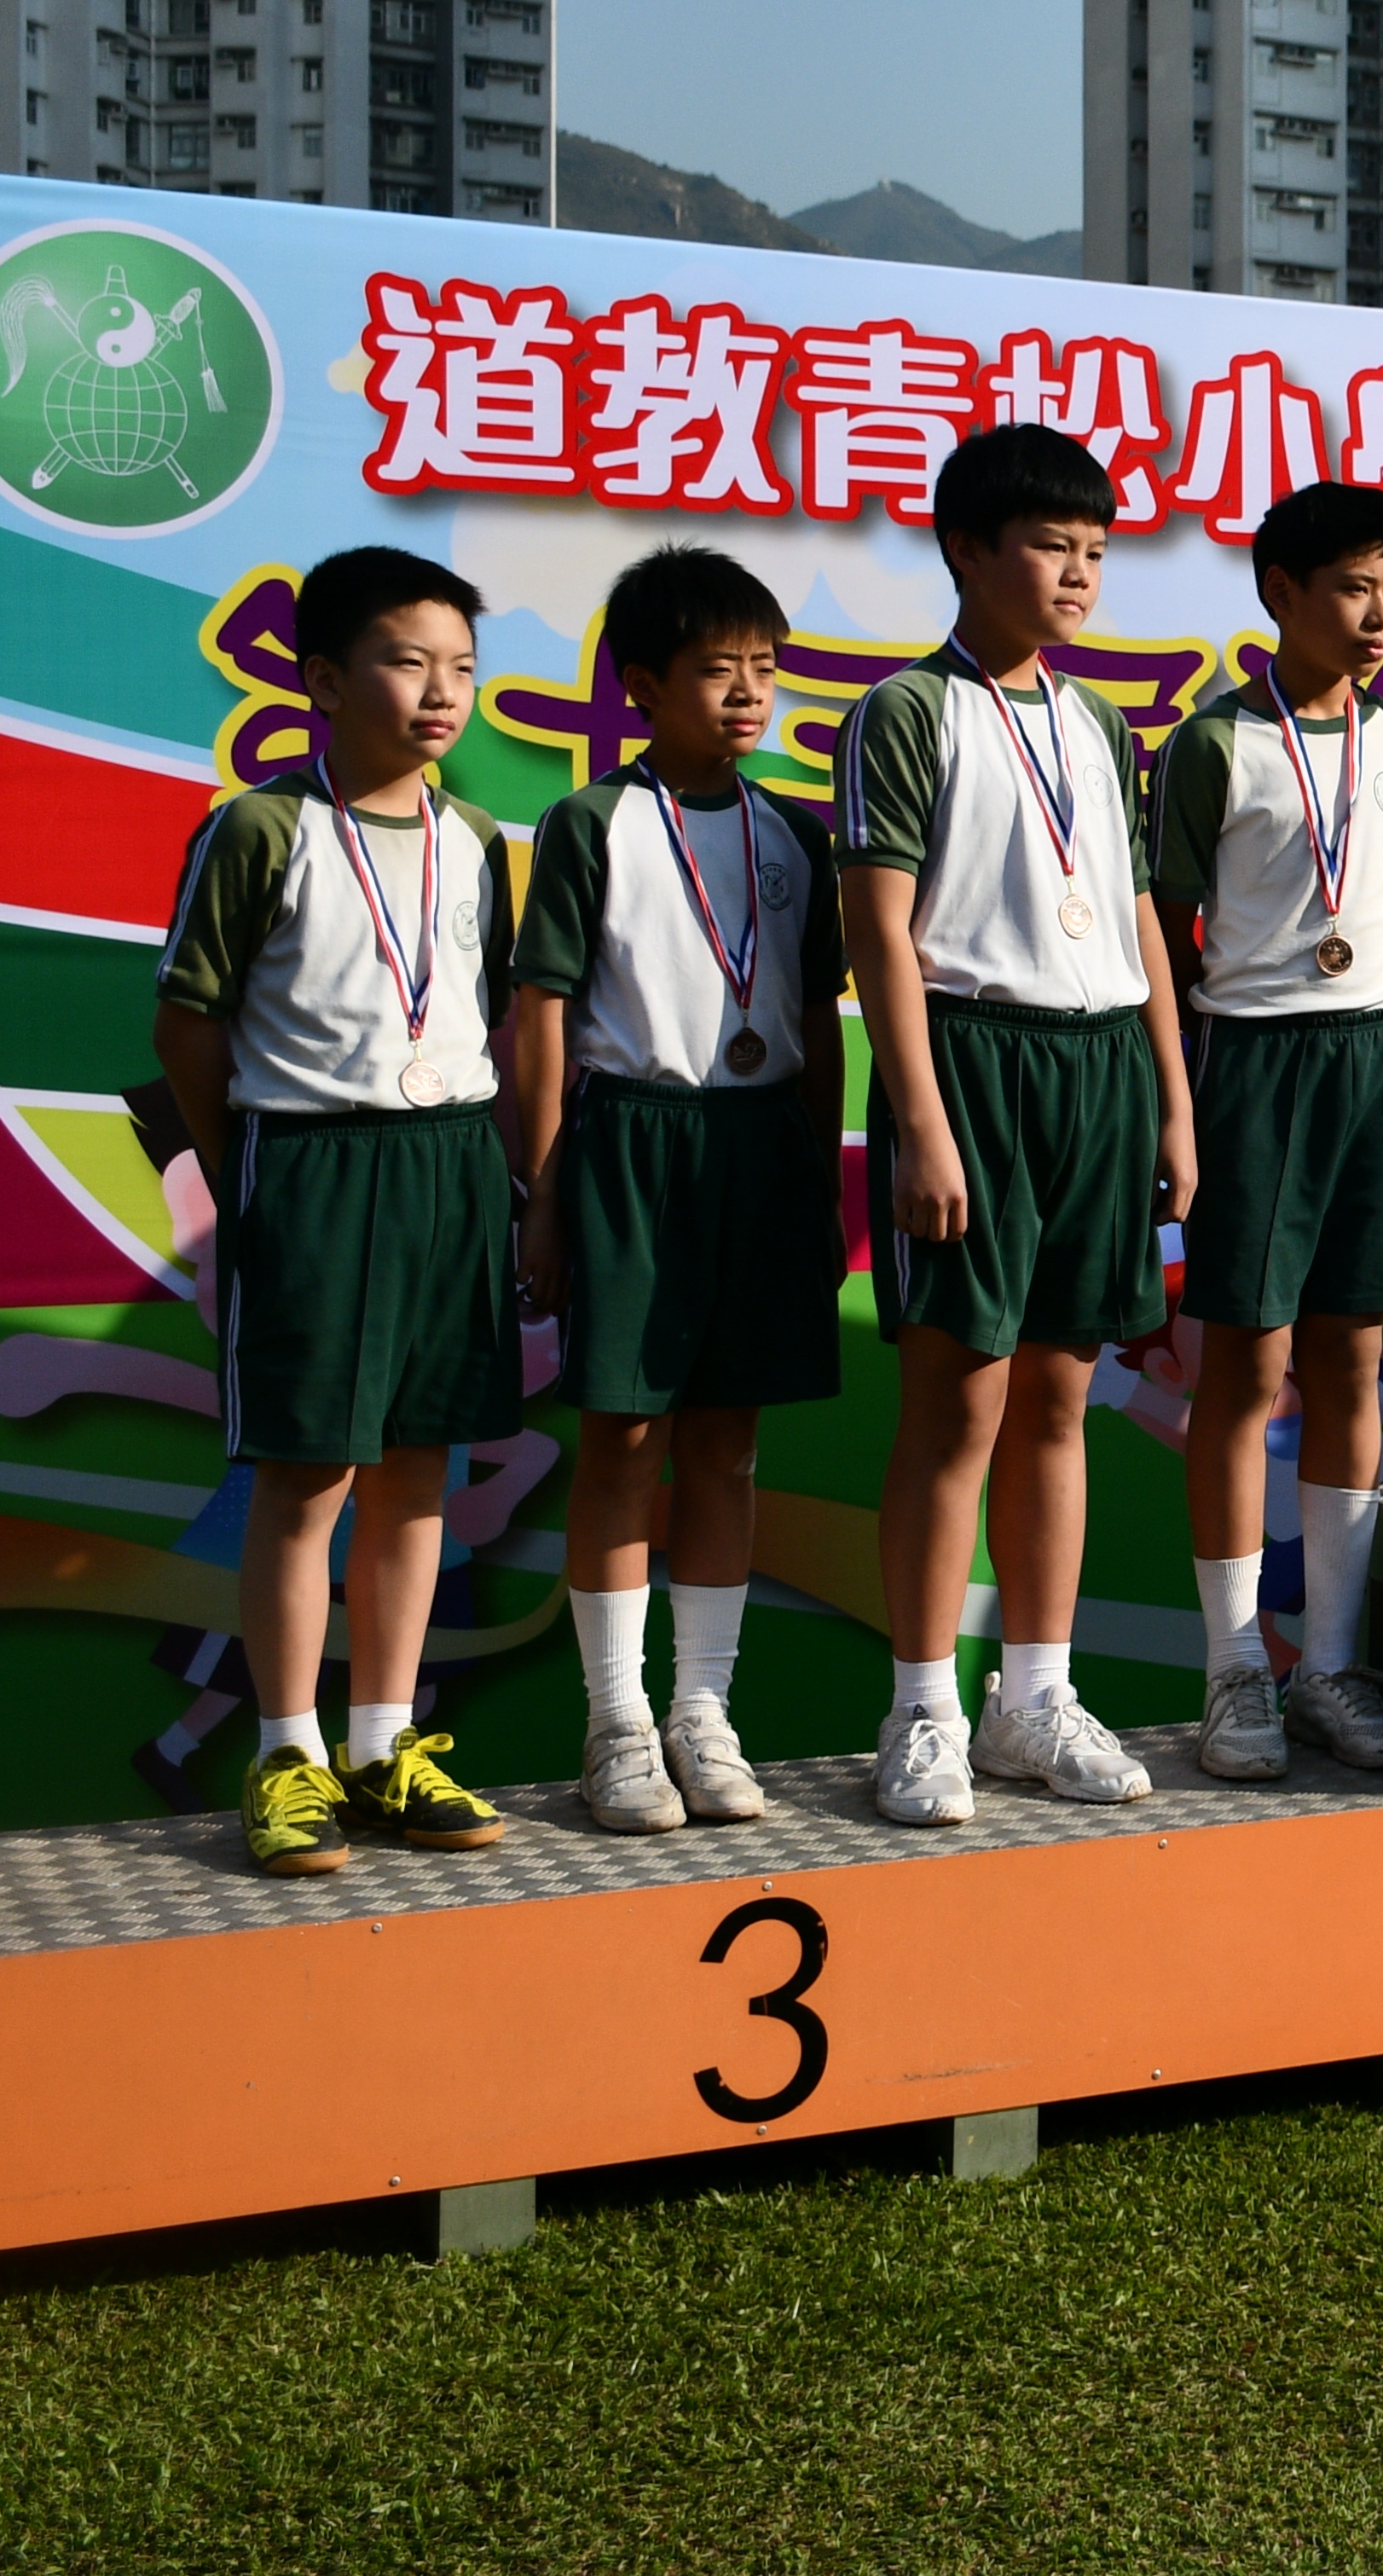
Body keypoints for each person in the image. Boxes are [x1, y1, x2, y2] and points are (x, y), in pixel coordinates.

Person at [838, 426, 1199, 1823]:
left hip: (1099, 1067)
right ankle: (922, 1706)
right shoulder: (905, 713)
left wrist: (1170, 1099)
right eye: (1050, 545)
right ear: (967, 551)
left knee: (1061, 1397)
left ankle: (1033, 1697)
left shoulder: (1102, 725)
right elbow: (879, 933)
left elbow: (1139, 919)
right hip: (972, 1063)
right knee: (959, 1400)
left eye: (1095, 550)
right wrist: (921, 1124)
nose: (1077, 572)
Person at [153, 546, 522, 1874]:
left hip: (451, 1168)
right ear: (322, 678)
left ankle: (382, 1744)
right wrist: (248, 1169)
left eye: (461, 667)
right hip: (307, 1165)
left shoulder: (477, 840)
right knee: (308, 1478)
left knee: (422, 1474)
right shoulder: (260, 829)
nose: (442, 693)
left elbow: (482, 1013)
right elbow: (188, 1022)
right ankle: (287, 1754)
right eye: (406, 662)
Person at [506, 546, 851, 1833]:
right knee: (623, 1440)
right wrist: (544, 1192)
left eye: (764, 668)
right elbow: (542, 1019)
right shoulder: (592, 824)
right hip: (631, 1146)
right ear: (643, 686)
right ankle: (616, 1721)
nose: (749, 694)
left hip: (762, 1152)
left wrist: (817, 1177)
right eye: (718, 671)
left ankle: (703, 1712)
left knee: (727, 1443)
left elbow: (814, 1018)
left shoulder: (798, 833)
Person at [1152, 478, 1383, 1775]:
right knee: (1244, 1367)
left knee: (1351, 1360)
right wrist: (1177, 1100)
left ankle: (1328, 1663)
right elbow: (1168, 938)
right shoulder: (1215, 746)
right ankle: (1234, 1674)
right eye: (1351, 589)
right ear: (1281, 592)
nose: (1379, 616)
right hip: (1254, 1063)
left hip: (1376, 1057)